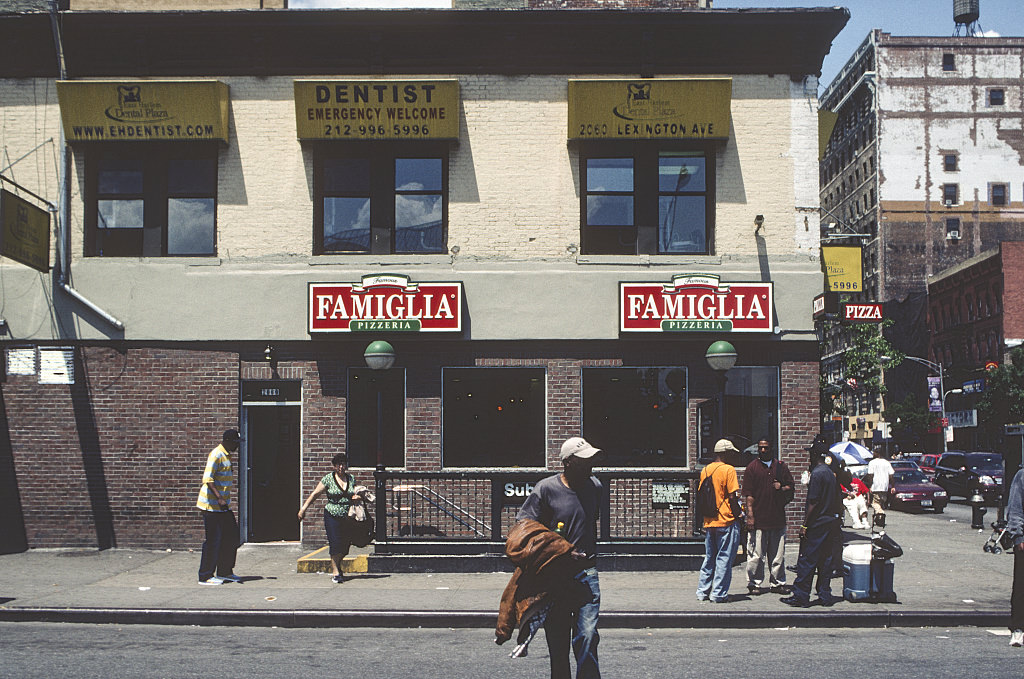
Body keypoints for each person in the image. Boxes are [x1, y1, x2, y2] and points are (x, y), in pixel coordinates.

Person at [517, 436, 603, 679]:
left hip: (587, 573)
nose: (590, 466)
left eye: (591, 461)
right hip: (555, 577)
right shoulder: (546, 489)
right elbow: (524, 526)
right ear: (567, 463)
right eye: (583, 461)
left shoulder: (595, 486)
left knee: (587, 635)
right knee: (557, 642)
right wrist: (558, 547)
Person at [781, 436, 842, 608]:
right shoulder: (830, 473)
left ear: (814, 455)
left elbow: (813, 502)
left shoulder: (817, 474)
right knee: (825, 560)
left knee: (807, 559)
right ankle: (825, 595)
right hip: (830, 522)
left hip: (817, 523)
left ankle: (801, 596)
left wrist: (804, 525)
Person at [298, 453, 371, 583]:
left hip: (347, 516)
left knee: (345, 545)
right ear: (334, 466)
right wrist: (303, 509)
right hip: (331, 515)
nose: (341, 467)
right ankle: (335, 571)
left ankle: (338, 565)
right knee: (335, 542)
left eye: (343, 464)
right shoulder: (328, 479)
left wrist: (358, 497)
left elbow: (352, 493)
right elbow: (315, 494)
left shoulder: (351, 478)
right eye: (338, 465)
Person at [743, 438, 795, 596]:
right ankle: (754, 583)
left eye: (766, 448)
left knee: (777, 555)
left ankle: (777, 583)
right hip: (759, 519)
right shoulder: (752, 468)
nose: (763, 450)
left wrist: (782, 487)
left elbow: (791, 488)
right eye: (760, 448)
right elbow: (749, 495)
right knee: (756, 555)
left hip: (777, 518)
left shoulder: (781, 467)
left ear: (772, 449)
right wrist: (750, 516)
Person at [696, 439, 743, 604]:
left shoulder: (705, 470)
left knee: (709, 558)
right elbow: (732, 497)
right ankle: (718, 594)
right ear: (726, 453)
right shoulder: (729, 470)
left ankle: (702, 591)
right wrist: (739, 515)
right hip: (726, 520)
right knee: (724, 558)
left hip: (709, 521)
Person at [196, 428, 243, 585]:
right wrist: (219, 498)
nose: (237, 446)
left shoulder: (226, 455)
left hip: (222, 507)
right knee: (213, 541)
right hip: (211, 506)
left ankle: (225, 571)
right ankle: (205, 576)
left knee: (231, 537)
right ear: (227, 442)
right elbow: (208, 479)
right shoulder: (216, 454)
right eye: (235, 443)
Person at [1005, 466, 1024, 647]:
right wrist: (1018, 535)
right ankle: (1018, 629)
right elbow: (1016, 507)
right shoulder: (1022, 475)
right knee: (1021, 587)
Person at [866, 447, 895, 527]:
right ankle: (878, 520)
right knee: (881, 503)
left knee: (875, 504)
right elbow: (891, 475)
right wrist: (892, 486)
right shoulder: (887, 463)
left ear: (877, 453)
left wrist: (870, 486)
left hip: (876, 486)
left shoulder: (872, 463)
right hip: (885, 486)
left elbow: (870, 475)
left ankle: (880, 514)